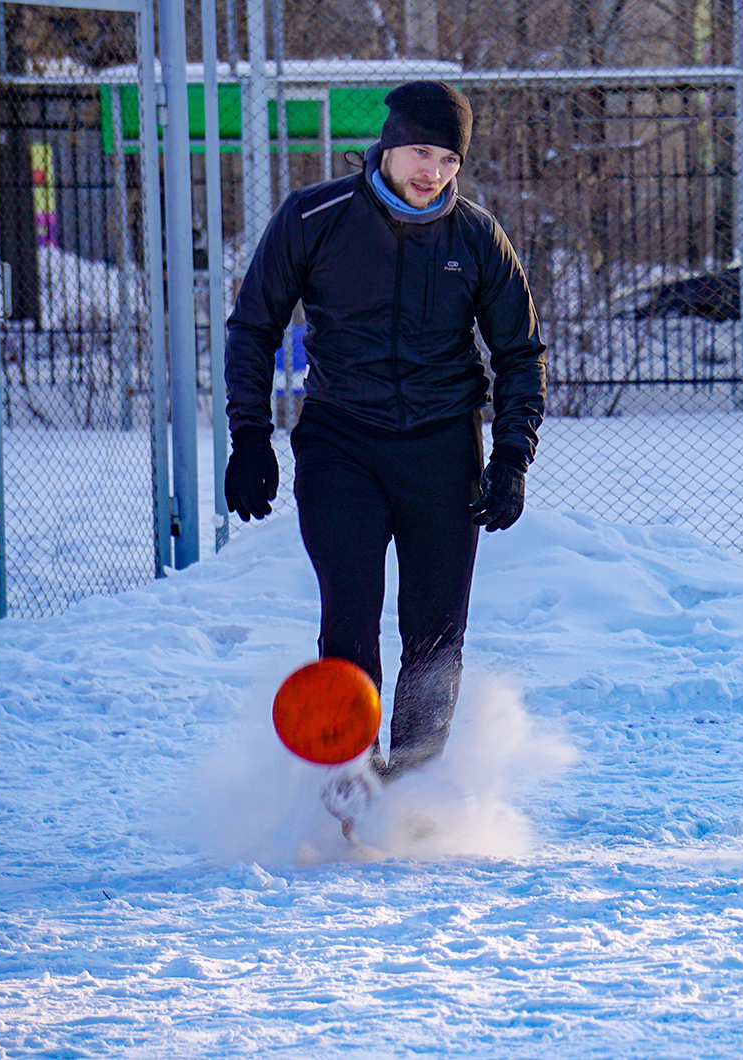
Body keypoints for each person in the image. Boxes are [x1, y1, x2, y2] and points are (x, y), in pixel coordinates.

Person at [224, 80, 547, 834]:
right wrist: (249, 436)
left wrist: (512, 456)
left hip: (442, 446)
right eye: (418, 153)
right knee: (351, 615)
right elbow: (253, 326)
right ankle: (349, 784)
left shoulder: (476, 238)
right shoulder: (315, 217)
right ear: (388, 145)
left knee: (436, 631)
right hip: (343, 441)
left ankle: (411, 793)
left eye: (447, 159)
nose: (431, 172)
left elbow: (520, 352)